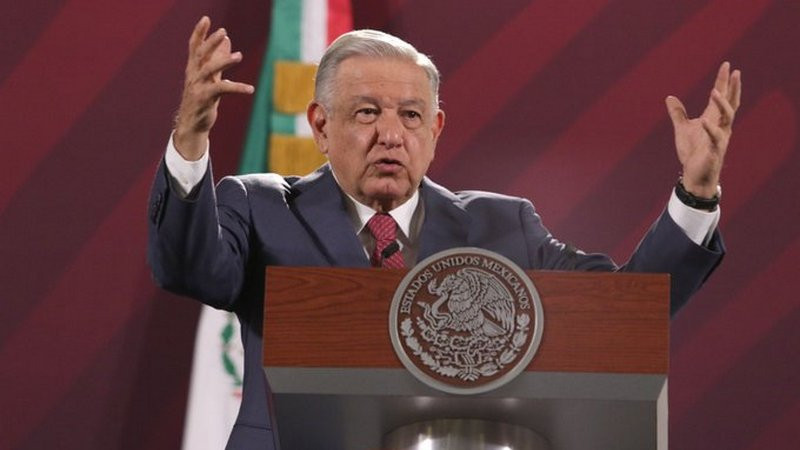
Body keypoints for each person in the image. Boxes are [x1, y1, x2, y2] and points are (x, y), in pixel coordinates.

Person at [148, 16, 740, 450]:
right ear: (321, 126)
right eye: (366, 112)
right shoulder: (261, 208)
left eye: (410, 115)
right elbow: (188, 267)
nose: (390, 134)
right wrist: (191, 139)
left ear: (435, 130)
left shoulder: (503, 226)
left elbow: (624, 311)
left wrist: (696, 193)